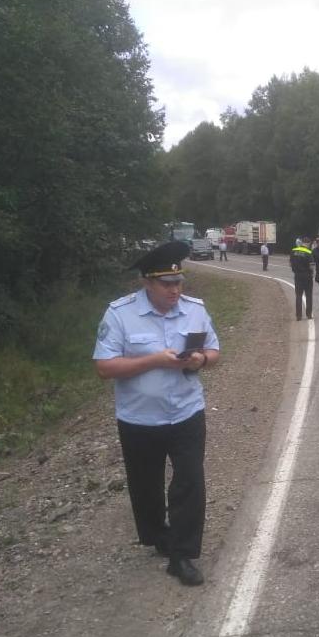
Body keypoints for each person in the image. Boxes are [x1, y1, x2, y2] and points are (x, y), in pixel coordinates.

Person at [92, 241, 221, 587]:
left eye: (178, 283)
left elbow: (213, 349)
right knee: (146, 486)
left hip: (186, 412)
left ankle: (182, 555)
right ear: (147, 283)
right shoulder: (120, 314)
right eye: (166, 284)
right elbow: (104, 367)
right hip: (139, 419)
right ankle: (158, 536)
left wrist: (201, 360)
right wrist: (156, 360)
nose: (175, 290)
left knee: (190, 480)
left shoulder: (195, 310)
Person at [289, 237, 314, 320]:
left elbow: (290, 263)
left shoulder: (293, 250)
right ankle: (309, 315)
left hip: (297, 276)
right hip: (307, 276)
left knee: (298, 296)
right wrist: (312, 274)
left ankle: (298, 316)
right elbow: (311, 266)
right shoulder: (309, 252)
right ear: (307, 243)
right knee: (309, 296)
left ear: (302, 242)